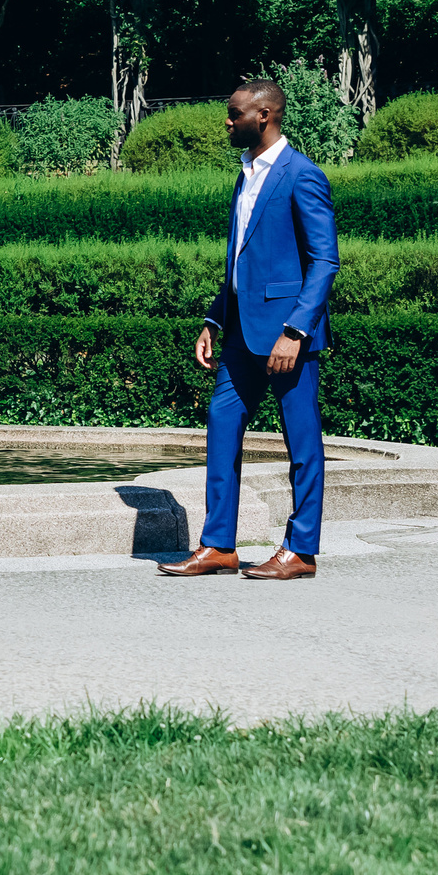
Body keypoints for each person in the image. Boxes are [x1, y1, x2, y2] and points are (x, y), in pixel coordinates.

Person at [157, 77, 337, 581]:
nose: (228, 121)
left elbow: (324, 261)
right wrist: (214, 319)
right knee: (221, 428)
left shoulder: (302, 175)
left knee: (302, 443)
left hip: (286, 340)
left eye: (235, 114)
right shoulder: (245, 175)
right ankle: (218, 546)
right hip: (239, 334)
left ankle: (300, 551)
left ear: (264, 116)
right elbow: (241, 261)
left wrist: (296, 331)